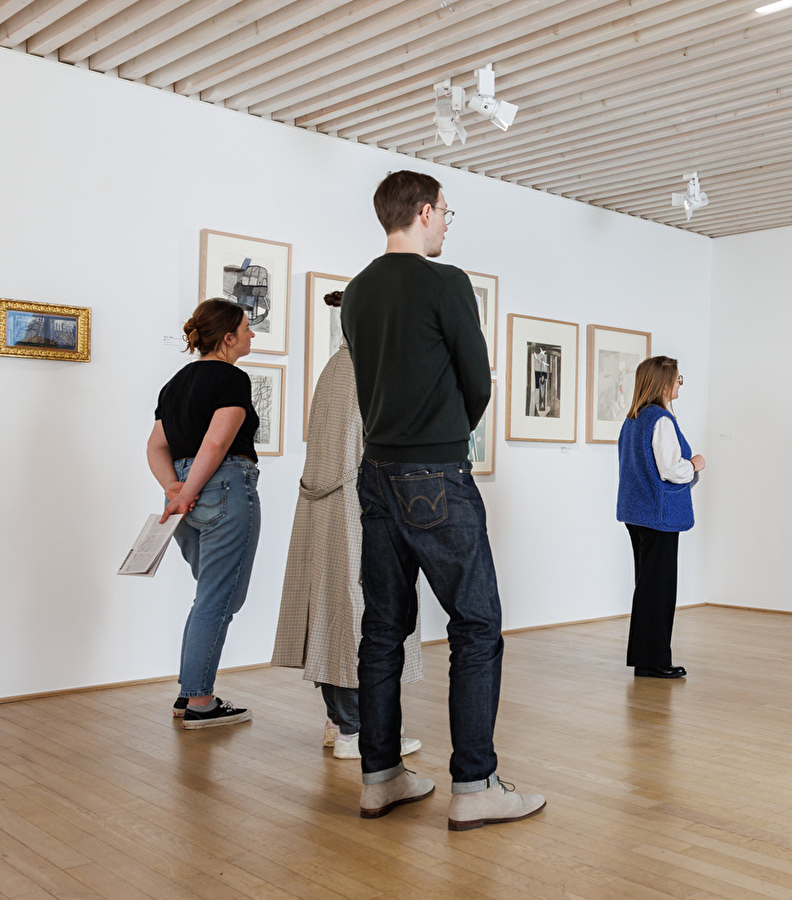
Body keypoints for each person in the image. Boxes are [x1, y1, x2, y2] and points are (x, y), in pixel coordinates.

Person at [342, 170, 545, 830]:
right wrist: (450, 428)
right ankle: (476, 785)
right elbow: (475, 379)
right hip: (435, 471)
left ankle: (379, 779)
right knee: (477, 625)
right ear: (425, 212)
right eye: (446, 214)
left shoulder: (359, 291)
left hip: (376, 472)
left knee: (383, 629)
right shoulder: (446, 282)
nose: (447, 226)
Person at [272, 290, 423, 760]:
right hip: (359, 507)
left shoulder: (336, 366)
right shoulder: (371, 370)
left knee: (334, 612)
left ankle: (341, 722)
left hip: (330, 505)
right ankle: (360, 732)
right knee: (365, 615)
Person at [147, 299, 261, 729]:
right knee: (219, 598)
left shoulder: (175, 383)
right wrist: (187, 492)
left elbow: (156, 446)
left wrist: (174, 489)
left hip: (185, 495)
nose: (252, 335)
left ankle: (189, 691)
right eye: (246, 329)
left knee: (209, 595)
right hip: (222, 488)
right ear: (228, 338)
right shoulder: (232, 378)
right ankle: (200, 701)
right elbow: (216, 443)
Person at [615, 356, 703, 679]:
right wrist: (694, 464)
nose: (680, 385)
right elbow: (671, 470)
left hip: (636, 514)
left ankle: (646, 659)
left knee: (647, 586)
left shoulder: (632, 420)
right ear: (664, 384)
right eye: (678, 379)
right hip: (658, 515)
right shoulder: (661, 420)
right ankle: (653, 661)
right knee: (659, 589)